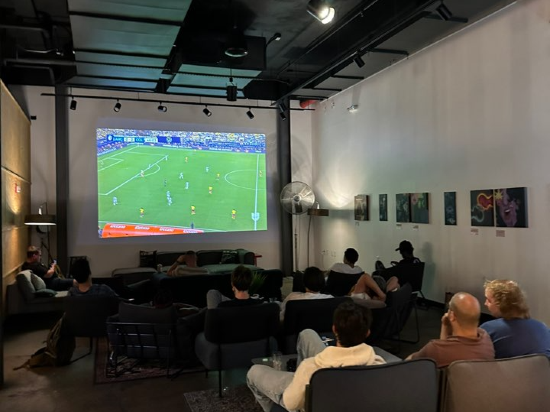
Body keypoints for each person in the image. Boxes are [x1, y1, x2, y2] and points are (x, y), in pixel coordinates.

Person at [247, 301, 385, 411]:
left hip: (313, 395)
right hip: (337, 389)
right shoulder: (380, 366)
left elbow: (291, 404)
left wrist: (300, 380)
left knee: (254, 372)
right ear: (367, 333)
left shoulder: (310, 368)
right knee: (307, 334)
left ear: (334, 329)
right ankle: (299, 381)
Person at [406, 292, 494, 367]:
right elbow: (444, 346)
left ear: (451, 315)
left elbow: (410, 363)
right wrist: (445, 326)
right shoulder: (486, 339)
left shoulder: (435, 349)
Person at [480, 279, 550, 358]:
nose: (485, 303)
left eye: (489, 300)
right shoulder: (543, 328)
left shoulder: (487, 329)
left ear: (501, 304)